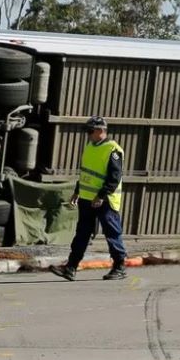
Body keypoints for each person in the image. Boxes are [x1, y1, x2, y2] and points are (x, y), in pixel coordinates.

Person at [50, 116, 128, 281]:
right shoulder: (90, 146)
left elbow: (114, 178)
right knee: (82, 234)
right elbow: (86, 172)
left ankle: (120, 266)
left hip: (105, 200)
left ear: (101, 131)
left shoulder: (112, 150)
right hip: (86, 199)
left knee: (112, 233)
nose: (88, 135)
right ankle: (70, 267)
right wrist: (77, 191)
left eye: (90, 131)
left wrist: (101, 195)